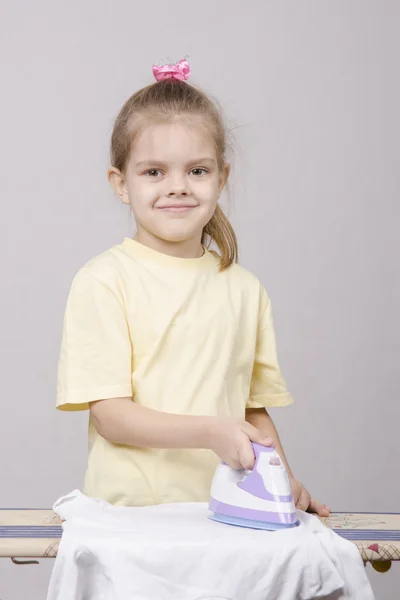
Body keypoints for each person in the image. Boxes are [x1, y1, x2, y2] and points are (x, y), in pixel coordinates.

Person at [56, 58, 330, 517]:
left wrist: (283, 479)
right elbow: (111, 416)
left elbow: (252, 411)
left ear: (221, 178)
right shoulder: (104, 281)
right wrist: (211, 431)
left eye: (197, 171)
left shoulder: (245, 289)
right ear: (120, 184)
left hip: (228, 514)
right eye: (154, 172)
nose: (178, 187)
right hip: (130, 519)